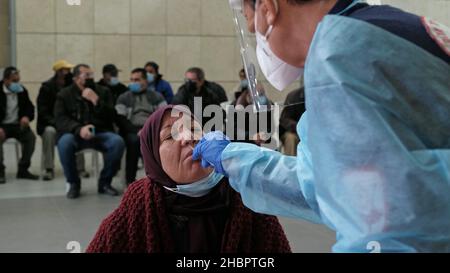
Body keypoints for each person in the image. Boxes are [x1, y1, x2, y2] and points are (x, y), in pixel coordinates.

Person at [193, 0, 450, 252]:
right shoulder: (385, 28)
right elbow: (332, 183)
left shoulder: (337, 57)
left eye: (249, 19)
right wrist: (235, 159)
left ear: (268, 9)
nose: (252, 30)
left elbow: (384, 222)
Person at [86, 105, 291, 253]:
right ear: (153, 159)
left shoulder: (245, 197)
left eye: (194, 128)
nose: (188, 138)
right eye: (169, 136)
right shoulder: (139, 206)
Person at [55, 64, 125, 199]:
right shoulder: (64, 94)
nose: (90, 78)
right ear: (76, 78)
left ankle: (105, 182)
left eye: (91, 74)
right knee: (64, 143)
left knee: (117, 142)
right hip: (75, 133)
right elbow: (60, 119)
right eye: (86, 75)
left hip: (100, 132)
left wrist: (96, 101)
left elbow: (112, 116)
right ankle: (73, 183)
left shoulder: (103, 91)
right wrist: (78, 128)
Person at [37, 60, 89, 181]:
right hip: (52, 123)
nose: (69, 72)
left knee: (78, 129)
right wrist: (56, 123)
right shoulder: (46, 87)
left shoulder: (71, 86)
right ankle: (49, 169)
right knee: (49, 132)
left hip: (68, 122)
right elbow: (43, 111)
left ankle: (80, 169)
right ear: (59, 72)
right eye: (66, 70)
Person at [115, 68, 167, 185]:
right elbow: (121, 119)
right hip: (131, 131)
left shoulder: (156, 96)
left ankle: (157, 180)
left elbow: (163, 115)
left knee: (158, 143)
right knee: (133, 142)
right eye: (132, 80)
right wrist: (136, 130)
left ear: (145, 81)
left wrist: (147, 130)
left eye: (137, 79)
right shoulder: (123, 97)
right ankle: (130, 182)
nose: (134, 82)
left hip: (152, 130)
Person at [0, 67, 39, 183]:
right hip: (2, 125)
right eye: (14, 81)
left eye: (18, 81)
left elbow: (30, 108)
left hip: (18, 125)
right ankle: (0, 171)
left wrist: (26, 117)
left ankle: (23, 169)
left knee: (30, 138)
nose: (17, 84)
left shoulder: (22, 91)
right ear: (6, 80)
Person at [279, 87, 305, 156]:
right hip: (294, 132)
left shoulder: (322, 96)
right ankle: (290, 165)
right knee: (290, 138)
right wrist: (300, 127)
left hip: (314, 133)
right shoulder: (293, 96)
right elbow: (284, 119)